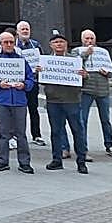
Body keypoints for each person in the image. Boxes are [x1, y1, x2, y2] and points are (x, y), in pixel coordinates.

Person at [0, 32, 36, 173]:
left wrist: (24, 85)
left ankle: (24, 162)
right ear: (0, 44)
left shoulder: (22, 61)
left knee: (21, 134)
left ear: (14, 43)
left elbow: (31, 79)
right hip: (3, 100)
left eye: (11, 42)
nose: (8, 45)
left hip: (19, 101)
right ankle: (3, 161)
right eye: (5, 42)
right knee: (4, 133)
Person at [37, 31, 88, 174]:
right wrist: (38, 72)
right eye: (56, 42)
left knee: (77, 131)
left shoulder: (75, 60)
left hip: (71, 100)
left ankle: (81, 161)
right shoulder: (45, 61)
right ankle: (56, 160)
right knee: (56, 132)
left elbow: (85, 77)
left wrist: (84, 75)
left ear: (66, 44)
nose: (59, 44)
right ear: (51, 45)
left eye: (61, 42)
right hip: (53, 101)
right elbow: (40, 79)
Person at [75, 29, 112, 159]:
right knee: (82, 119)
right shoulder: (77, 51)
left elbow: (111, 71)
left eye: (91, 39)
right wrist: (85, 54)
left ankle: (109, 145)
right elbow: (75, 65)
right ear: (82, 40)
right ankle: (83, 148)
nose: (89, 41)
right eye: (87, 39)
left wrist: (107, 73)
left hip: (102, 89)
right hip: (86, 90)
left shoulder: (103, 52)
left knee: (105, 119)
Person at [15, 21, 46, 146]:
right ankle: (17, 135)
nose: (25, 31)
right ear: (17, 32)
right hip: (17, 83)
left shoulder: (36, 45)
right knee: (17, 111)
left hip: (32, 82)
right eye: (22, 29)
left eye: (27, 29)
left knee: (33, 109)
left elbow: (42, 61)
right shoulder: (14, 45)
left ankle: (36, 135)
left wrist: (40, 68)